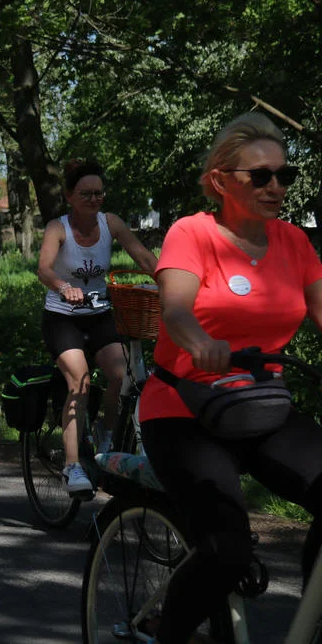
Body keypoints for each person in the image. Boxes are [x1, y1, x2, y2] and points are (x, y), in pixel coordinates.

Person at [138, 113, 322, 644]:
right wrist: (198, 342)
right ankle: (170, 635)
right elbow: (176, 309)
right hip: (183, 409)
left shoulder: (293, 243)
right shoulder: (192, 233)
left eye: (283, 176)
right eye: (259, 176)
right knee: (226, 550)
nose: (275, 187)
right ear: (221, 179)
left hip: (261, 404)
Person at [36, 159, 157, 495]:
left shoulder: (111, 223)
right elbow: (44, 269)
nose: (94, 199)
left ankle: (105, 432)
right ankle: (73, 466)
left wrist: (172, 280)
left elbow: (143, 258)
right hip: (63, 317)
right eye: (86, 193)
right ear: (70, 196)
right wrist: (63, 286)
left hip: (100, 313)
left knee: (123, 374)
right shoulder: (56, 228)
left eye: (99, 193)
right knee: (80, 381)